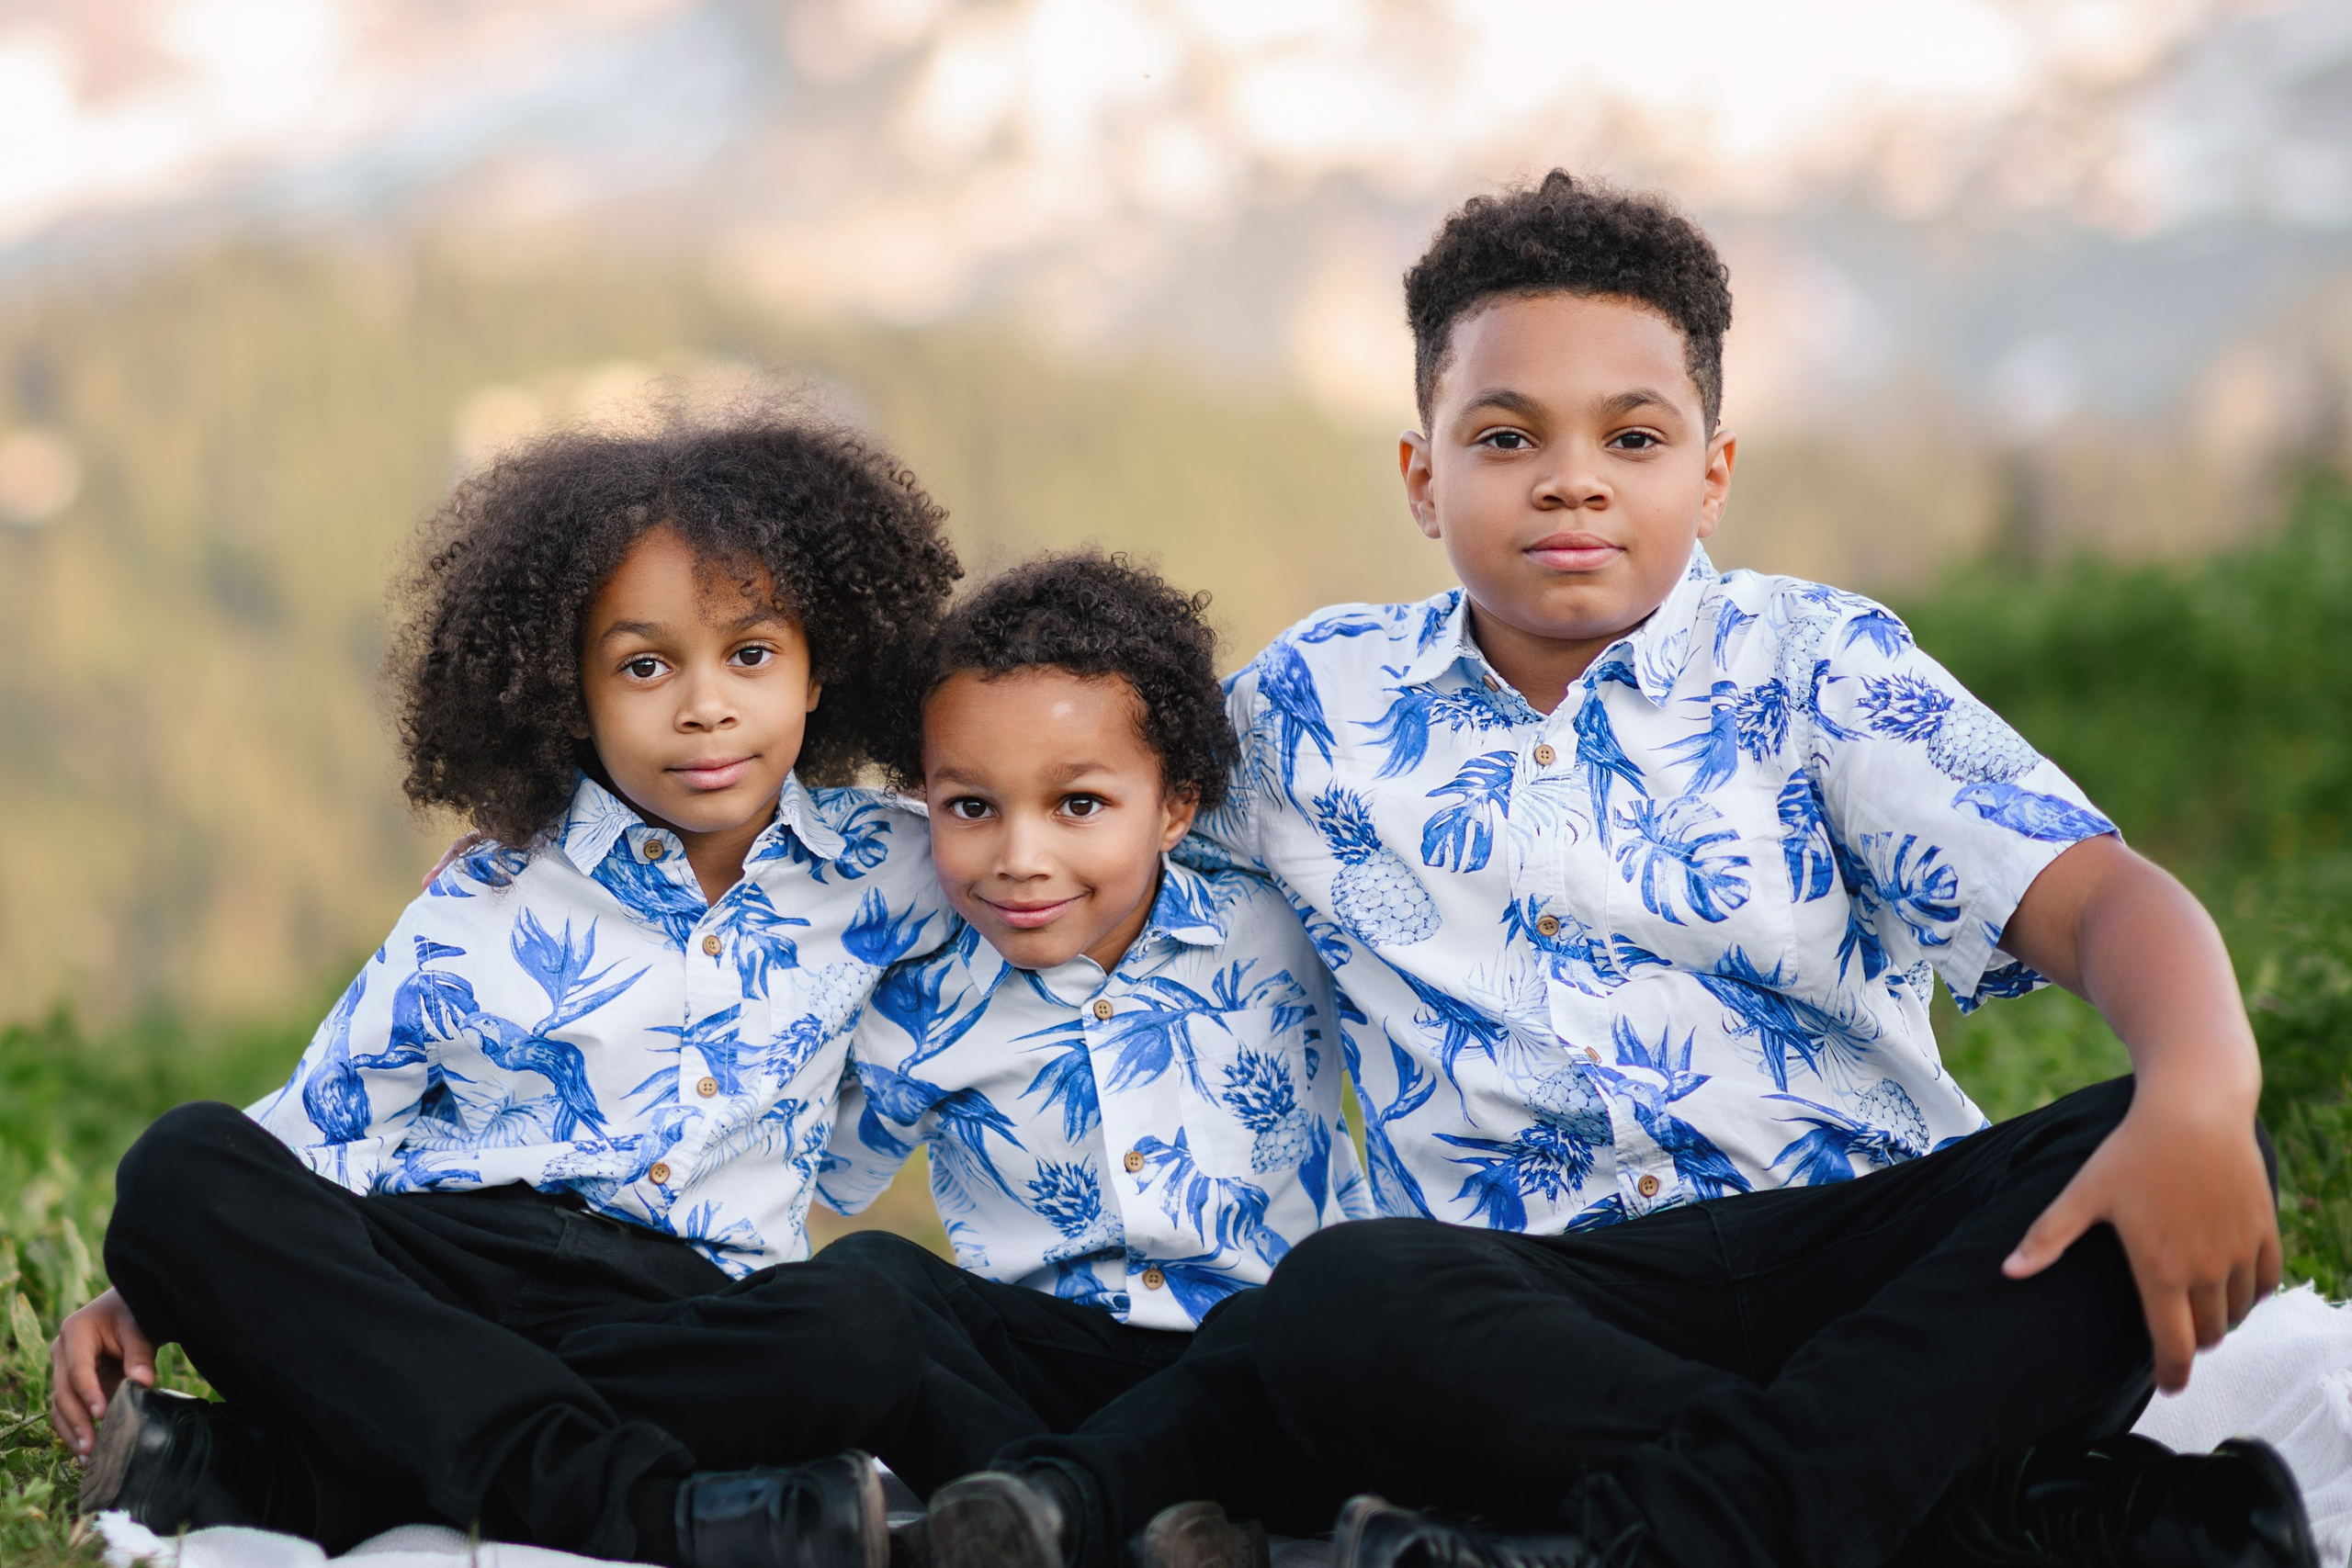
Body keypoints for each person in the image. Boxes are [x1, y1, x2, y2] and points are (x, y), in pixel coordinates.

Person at [917, 174, 2312, 1568]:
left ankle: (1703, 1524)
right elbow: (1074, 814)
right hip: (1540, 1315)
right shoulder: (1308, 710)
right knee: (1344, 1298)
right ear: (1423, 475)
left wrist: (2202, 1088)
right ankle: (1991, 1526)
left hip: (1862, 1256)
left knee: (2153, 1136)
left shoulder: (1815, 662)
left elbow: (2106, 895)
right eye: (1507, 434)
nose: (1571, 476)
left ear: (1711, 474)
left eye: (1633, 435)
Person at [50, 408, 969, 1568]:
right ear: (564, 690)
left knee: (863, 1327)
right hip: (449, 1269)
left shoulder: (901, 864)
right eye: (644, 666)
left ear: (819, 665)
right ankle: (649, 1512)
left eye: (749, 655)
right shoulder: (489, 886)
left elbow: (1073, 888)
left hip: (687, 1310)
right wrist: (156, 1285)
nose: (705, 707)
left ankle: (287, 1477)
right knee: (180, 1170)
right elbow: (328, 1116)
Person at [815, 550, 1368, 1568]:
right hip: (1041, 1379)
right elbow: (803, 1185)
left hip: (1258, 1376)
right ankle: (1087, 1522)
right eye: (971, 808)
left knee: (1312, 1308)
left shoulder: (1281, 926)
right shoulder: (921, 997)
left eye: (1078, 805)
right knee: (870, 1282)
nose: (1020, 858)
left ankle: (1068, 1515)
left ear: (1174, 805)